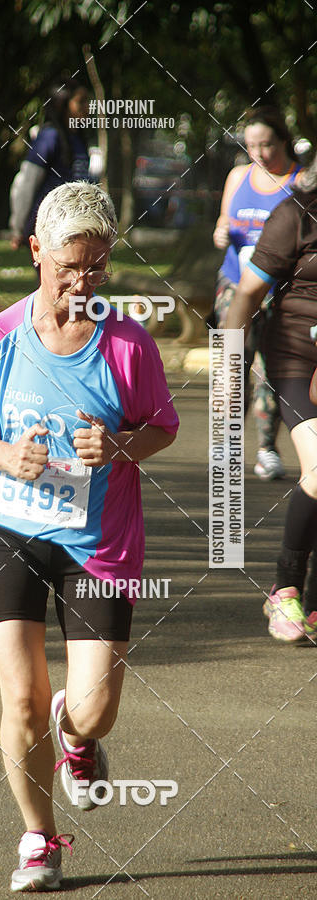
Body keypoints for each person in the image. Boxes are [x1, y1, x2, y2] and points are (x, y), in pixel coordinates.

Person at [0, 181, 179, 891]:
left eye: (98, 266)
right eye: (69, 266)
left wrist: (119, 449)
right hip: (10, 530)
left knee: (95, 712)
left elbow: (163, 426)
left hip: (98, 544)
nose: (83, 282)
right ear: (35, 252)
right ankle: (39, 840)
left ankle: (75, 738)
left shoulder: (126, 343)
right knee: (18, 700)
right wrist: (3, 455)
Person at [225, 156, 317, 644]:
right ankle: (284, 588)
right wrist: (229, 368)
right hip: (298, 356)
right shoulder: (295, 217)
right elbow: (245, 297)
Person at [213, 106, 303, 480]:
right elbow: (223, 222)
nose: (260, 154)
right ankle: (226, 448)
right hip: (235, 285)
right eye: (251, 145)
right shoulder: (238, 177)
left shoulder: (300, 183)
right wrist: (220, 233)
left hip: (281, 290)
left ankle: (267, 449)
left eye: (266, 144)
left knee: (268, 371)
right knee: (231, 365)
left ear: (283, 141)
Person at [9, 81, 91, 251]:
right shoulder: (49, 136)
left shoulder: (79, 138)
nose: (87, 107)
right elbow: (27, 182)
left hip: (73, 224)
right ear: (63, 103)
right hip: (50, 225)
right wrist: (17, 227)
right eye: (81, 101)